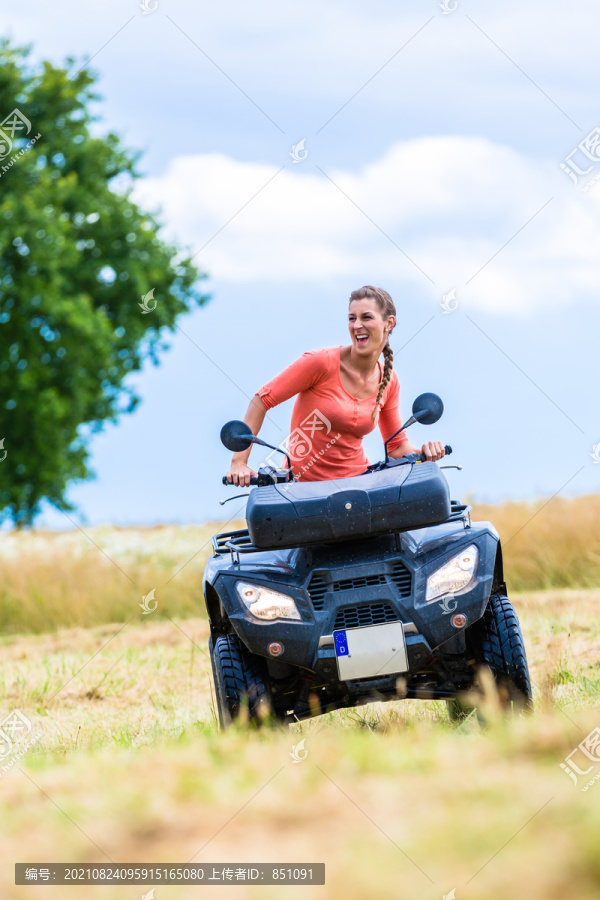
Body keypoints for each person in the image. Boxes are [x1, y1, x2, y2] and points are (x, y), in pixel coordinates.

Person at [225, 286, 445, 487]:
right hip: (302, 490)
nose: (357, 325)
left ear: (389, 323)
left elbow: (396, 447)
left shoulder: (389, 381)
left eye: (366, 317)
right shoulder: (319, 363)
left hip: (359, 486)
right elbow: (262, 399)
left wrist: (425, 451)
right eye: (352, 318)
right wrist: (239, 462)